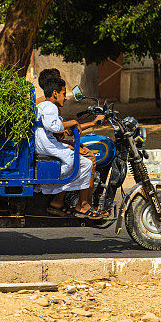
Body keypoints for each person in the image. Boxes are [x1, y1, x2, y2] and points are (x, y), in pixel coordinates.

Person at [35, 76, 105, 218]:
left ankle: (69, 200)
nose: (66, 98)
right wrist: (73, 122)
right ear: (55, 93)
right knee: (85, 162)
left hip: (46, 145)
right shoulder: (50, 106)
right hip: (49, 146)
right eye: (63, 93)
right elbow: (53, 126)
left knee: (83, 163)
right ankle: (79, 203)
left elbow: (59, 127)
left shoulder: (42, 105)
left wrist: (80, 123)